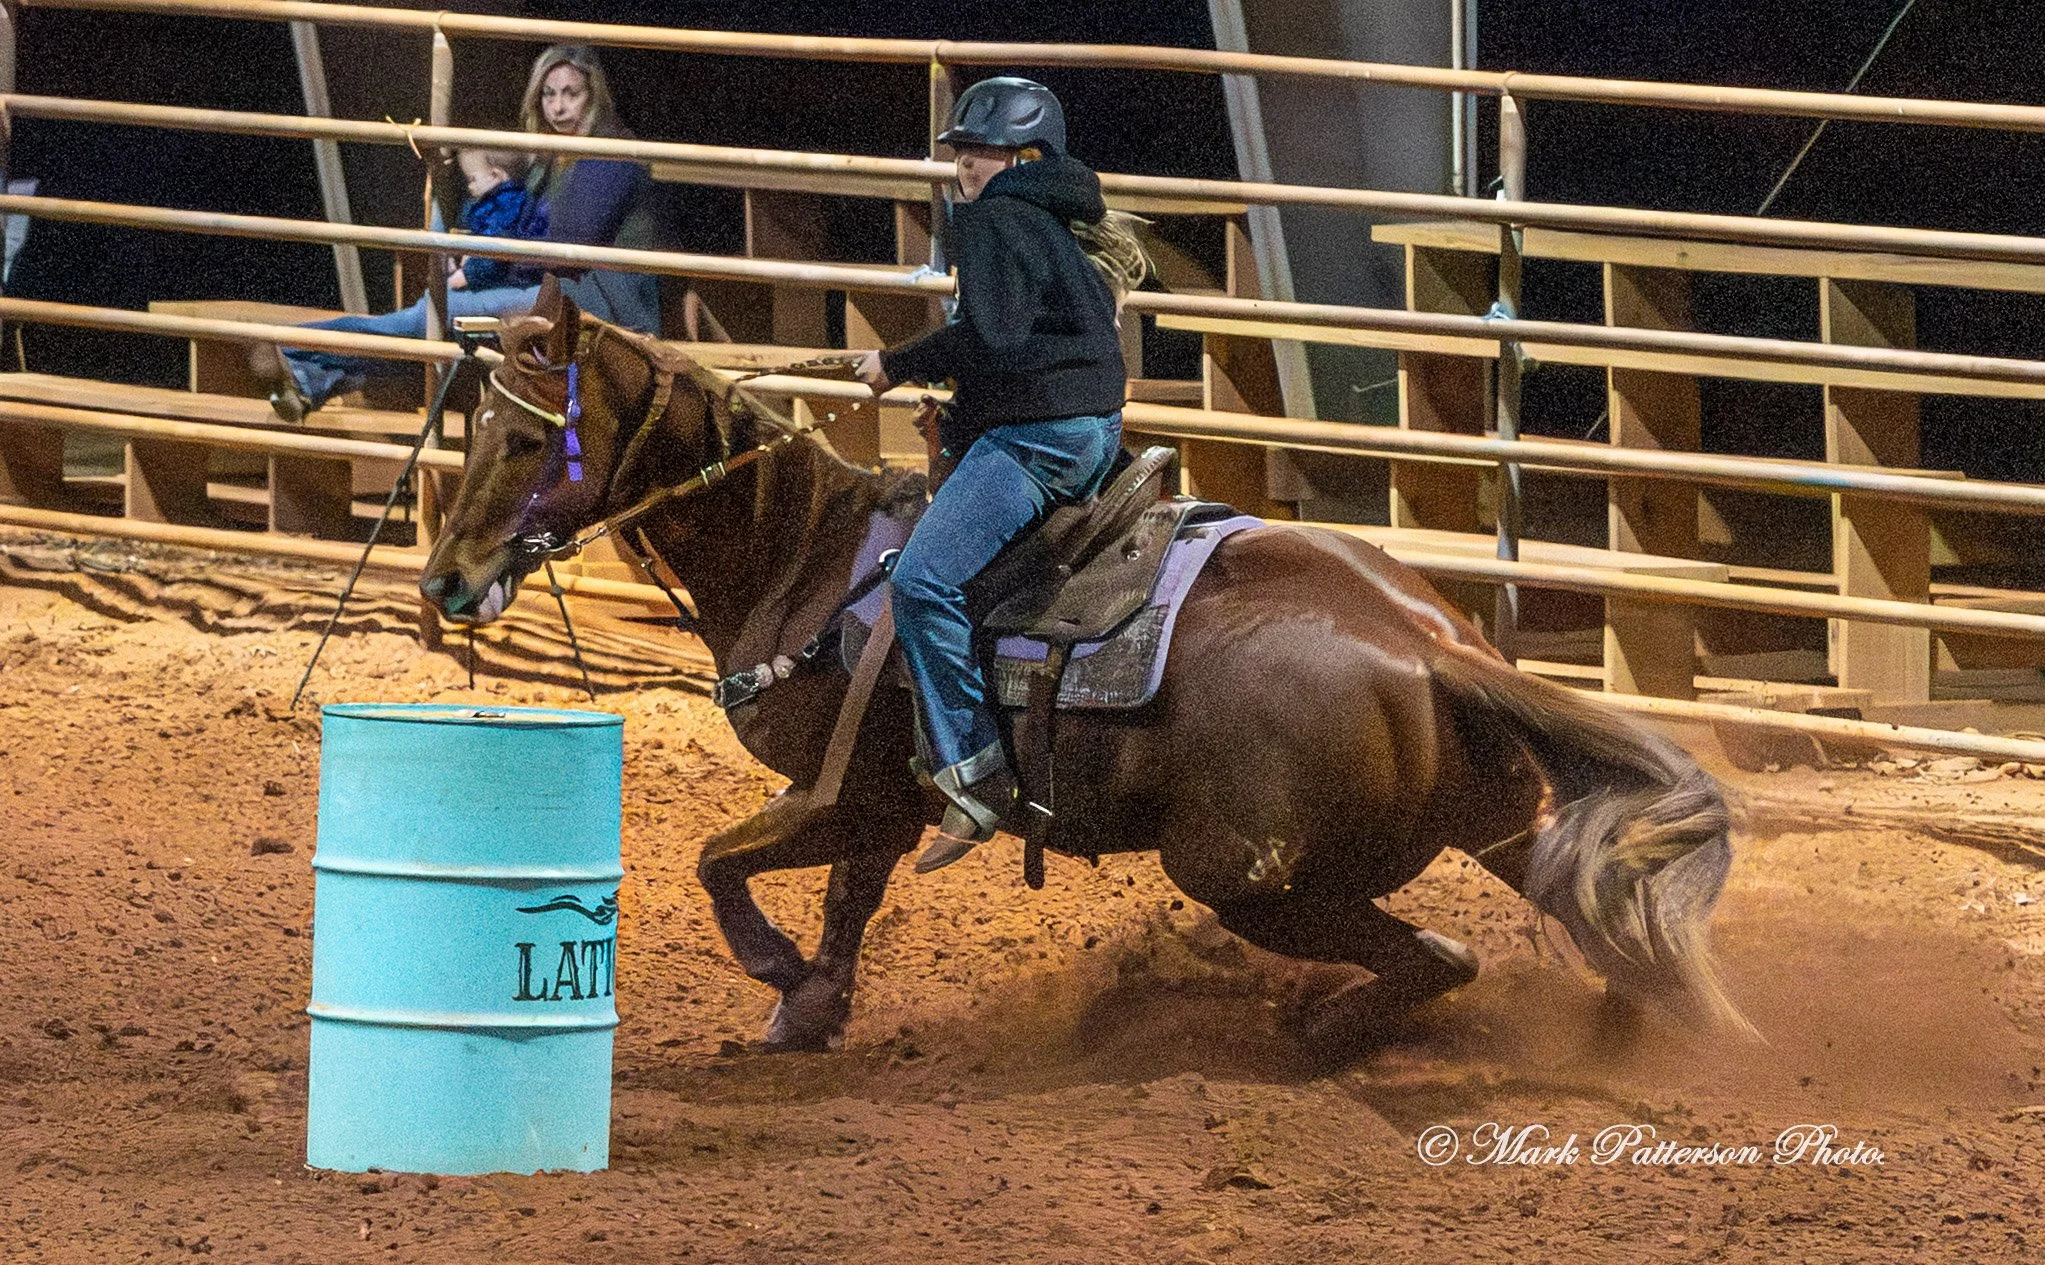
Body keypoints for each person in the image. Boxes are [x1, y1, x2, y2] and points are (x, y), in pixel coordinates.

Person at [855, 77, 1149, 875]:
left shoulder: (992, 221)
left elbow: (989, 334)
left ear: (1023, 156)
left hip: (1037, 440)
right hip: (1094, 433)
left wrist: (895, 362)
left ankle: (974, 771)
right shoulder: (1061, 226)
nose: (963, 168)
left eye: (978, 152)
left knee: (920, 581)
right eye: (960, 152)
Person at [248, 44, 662, 421]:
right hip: (553, 288)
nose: (558, 106)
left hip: (598, 302)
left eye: (571, 93)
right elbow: (520, 233)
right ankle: (309, 378)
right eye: (549, 94)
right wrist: (478, 253)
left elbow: (568, 249)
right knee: (438, 327)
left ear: (594, 95)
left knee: (437, 315)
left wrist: (486, 259)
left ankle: (294, 346)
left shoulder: (611, 155)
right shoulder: (554, 157)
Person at [448, 147, 548, 293]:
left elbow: (495, 246)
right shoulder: (498, 201)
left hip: (507, 280)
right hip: (498, 275)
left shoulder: (504, 205)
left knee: (444, 299)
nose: (469, 186)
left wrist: (467, 275)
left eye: (472, 179)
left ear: (495, 175)